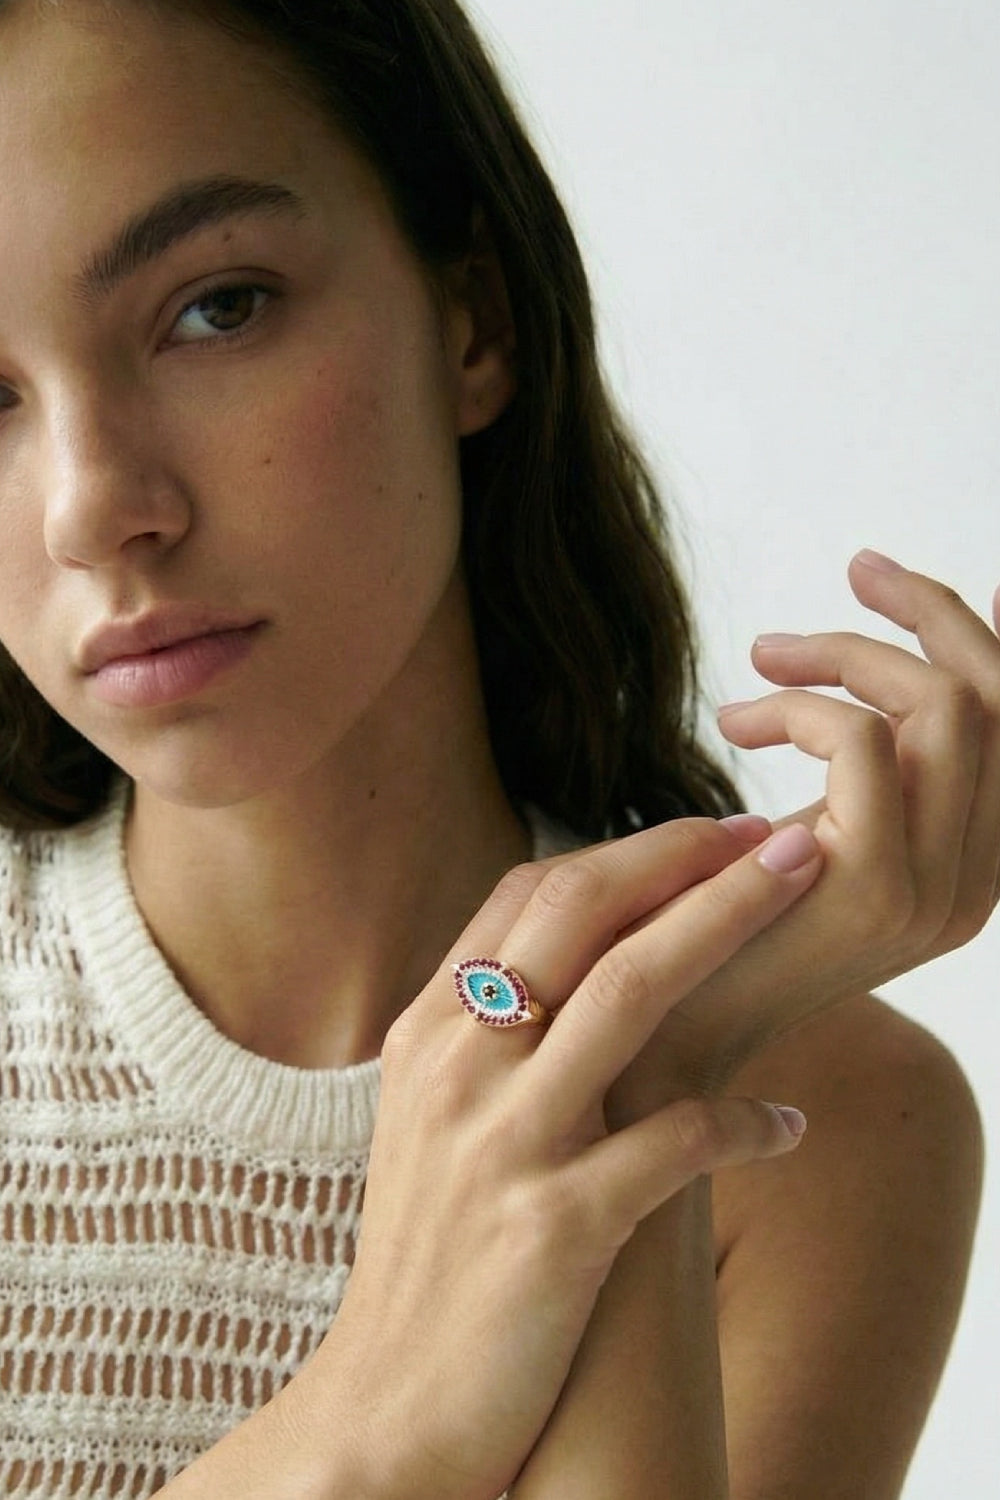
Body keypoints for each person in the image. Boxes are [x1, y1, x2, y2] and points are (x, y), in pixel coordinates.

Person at [0, 1, 992, 1496]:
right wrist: (376, 1414)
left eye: (218, 308)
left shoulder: (825, 1124)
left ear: (474, 319)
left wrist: (646, 1059)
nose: (92, 509)